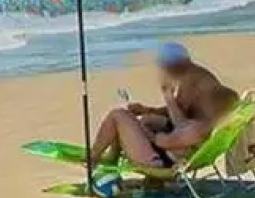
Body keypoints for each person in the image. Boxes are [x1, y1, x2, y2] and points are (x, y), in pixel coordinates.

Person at [91, 42, 238, 170]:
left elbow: (162, 140)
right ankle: (112, 156)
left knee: (118, 115)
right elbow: (179, 119)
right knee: (145, 120)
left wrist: (143, 129)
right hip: (176, 149)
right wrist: (150, 109)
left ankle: (93, 157)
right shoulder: (202, 122)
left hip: (158, 160)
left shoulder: (191, 82)